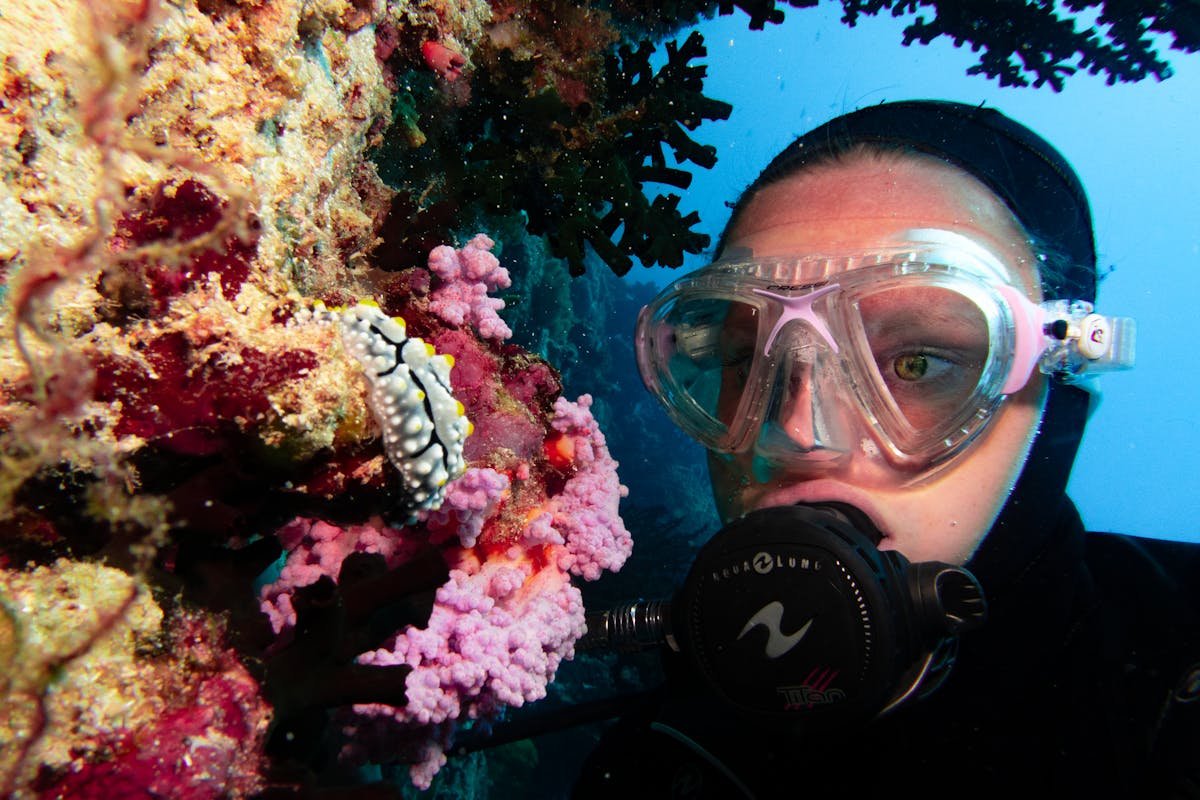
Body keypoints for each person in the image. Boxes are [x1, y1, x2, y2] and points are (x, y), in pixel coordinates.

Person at [571, 100, 1200, 797]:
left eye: (918, 364)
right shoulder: (653, 765)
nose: (799, 433)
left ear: (1056, 396)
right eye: (746, 362)